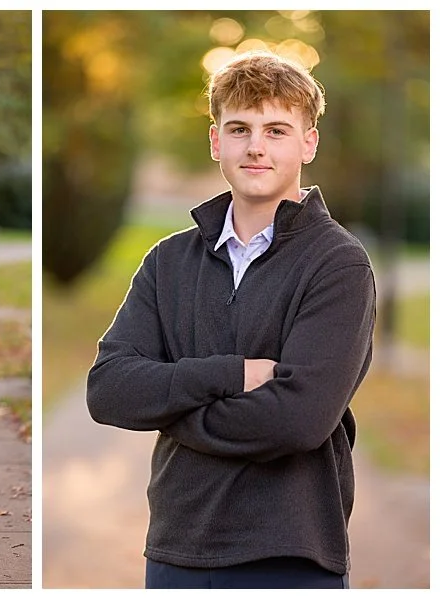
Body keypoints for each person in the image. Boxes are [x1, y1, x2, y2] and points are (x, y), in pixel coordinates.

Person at [86, 51, 375, 589]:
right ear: (216, 141)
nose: (257, 146)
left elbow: (299, 420)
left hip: (290, 551)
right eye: (240, 128)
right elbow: (108, 390)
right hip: (179, 546)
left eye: (277, 129)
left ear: (308, 142)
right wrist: (231, 376)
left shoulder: (339, 263)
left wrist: (170, 409)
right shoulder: (168, 261)